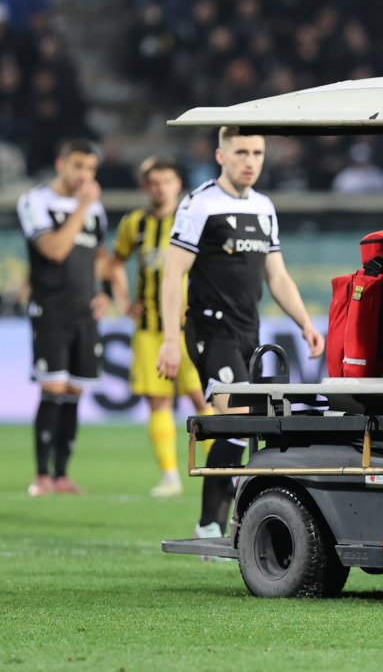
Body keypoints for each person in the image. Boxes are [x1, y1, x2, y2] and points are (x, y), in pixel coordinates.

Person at [156, 126, 324, 541]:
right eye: (241, 152)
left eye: (257, 153)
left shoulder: (264, 207)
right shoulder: (199, 204)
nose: (250, 161)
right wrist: (170, 339)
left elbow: (277, 275)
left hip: (249, 331)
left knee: (249, 427)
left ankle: (234, 523)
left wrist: (304, 323)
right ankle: (209, 525)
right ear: (221, 156)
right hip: (211, 330)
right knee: (235, 420)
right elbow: (173, 274)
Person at [109, 156, 214, 498]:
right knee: (157, 402)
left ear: (177, 184)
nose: (161, 189)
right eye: (154, 183)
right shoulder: (134, 224)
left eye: (167, 181)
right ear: (145, 186)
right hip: (149, 329)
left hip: (189, 328)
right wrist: (123, 301)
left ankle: (220, 472)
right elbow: (114, 263)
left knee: (201, 397)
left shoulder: (192, 221)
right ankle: (169, 476)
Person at [16, 139, 110, 496]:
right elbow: (54, 250)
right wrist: (82, 206)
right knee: (52, 388)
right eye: (78, 166)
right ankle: (41, 476)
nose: (85, 175)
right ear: (61, 164)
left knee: (73, 391)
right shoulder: (36, 201)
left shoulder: (95, 208)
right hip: (51, 308)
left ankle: (62, 475)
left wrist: (104, 291)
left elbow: (98, 255)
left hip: (85, 312)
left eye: (90, 169)